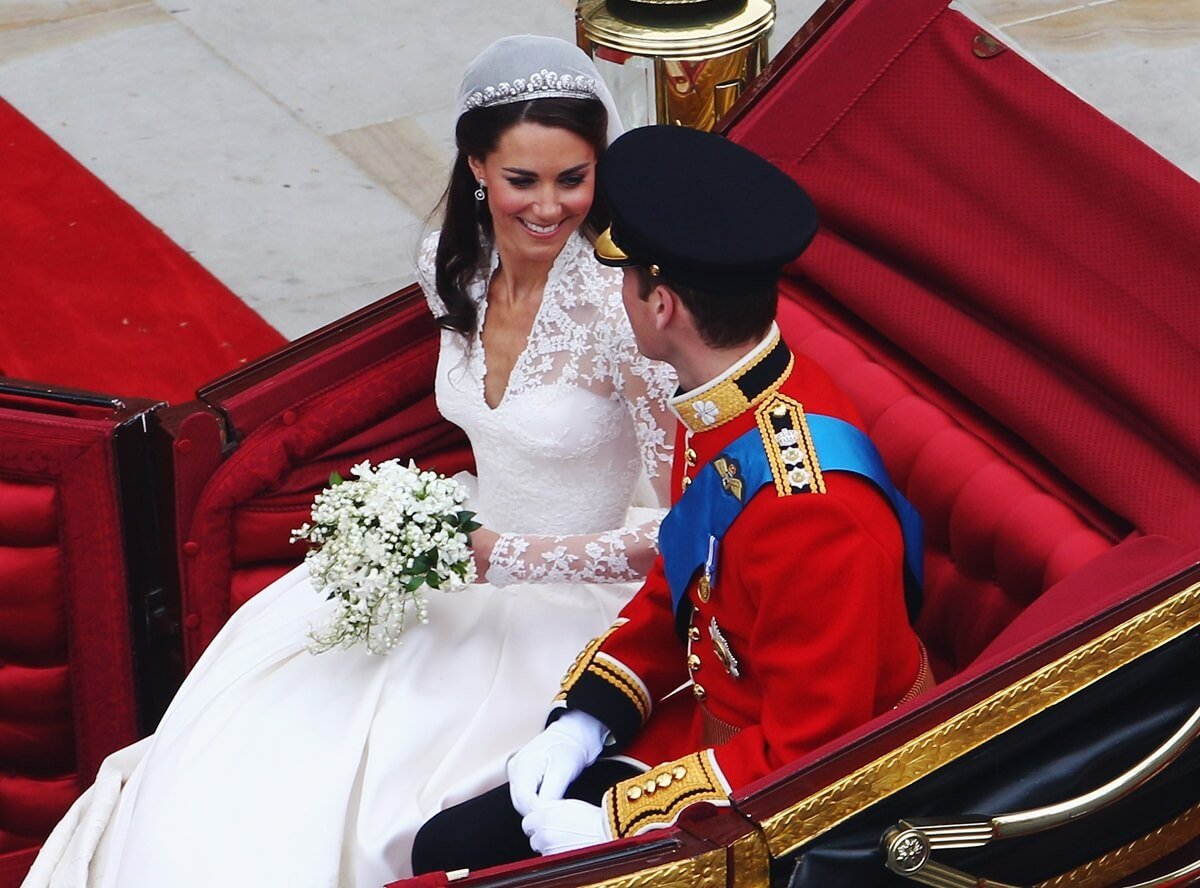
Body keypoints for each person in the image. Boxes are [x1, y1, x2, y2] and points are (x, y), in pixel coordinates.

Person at [23, 36, 675, 888]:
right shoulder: (456, 260)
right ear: (478, 166)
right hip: (451, 552)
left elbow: (683, 525)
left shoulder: (622, 314)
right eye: (523, 180)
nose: (549, 207)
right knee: (257, 738)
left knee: (370, 796)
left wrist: (506, 556)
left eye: (573, 178)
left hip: (570, 601)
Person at [411, 124, 931, 871]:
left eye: (627, 277)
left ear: (662, 307)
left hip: (784, 794)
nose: (616, 291)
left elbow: (816, 751)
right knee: (448, 846)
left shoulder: (810, 512)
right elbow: (683, 583)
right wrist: (586, 717)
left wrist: (630, 823)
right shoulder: (721, 402)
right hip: (715, 724)